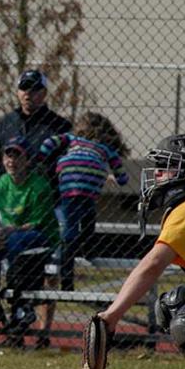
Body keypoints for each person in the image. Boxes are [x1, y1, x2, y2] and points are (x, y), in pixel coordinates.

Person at [97, 134, 185, 369]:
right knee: (172, 304)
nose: (157, 175)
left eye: (165, 167)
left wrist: (112, 315)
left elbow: (151, 265)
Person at [0, 136, 59, 344]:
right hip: (14, 233)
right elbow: (8, 219)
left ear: (28, 160)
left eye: (18, 156)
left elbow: (36, 224)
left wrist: (9, 232)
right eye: (8, 155)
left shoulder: (39, 186)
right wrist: (6, 232)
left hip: (41, 237)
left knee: (16, 244)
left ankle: (20, 308)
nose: (12, 161)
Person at [37, 112, 130, 291]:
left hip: (69, 184)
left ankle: (67, 281)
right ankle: (88, 249)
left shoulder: (72, 139)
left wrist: (41, 158)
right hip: (89, 187)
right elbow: (118, 165)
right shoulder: (104, 148)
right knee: (88, 220)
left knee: (69, 232)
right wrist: (122, 179)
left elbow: (50, 142)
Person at [0, 69, 72, 194]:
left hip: (46, 199)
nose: (28, 93)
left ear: (44, 93)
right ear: (17, 92)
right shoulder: (5, 123)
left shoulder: (60, 126)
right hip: (10, 199)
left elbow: (66, 168)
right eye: (24, 87)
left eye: (34, 88)